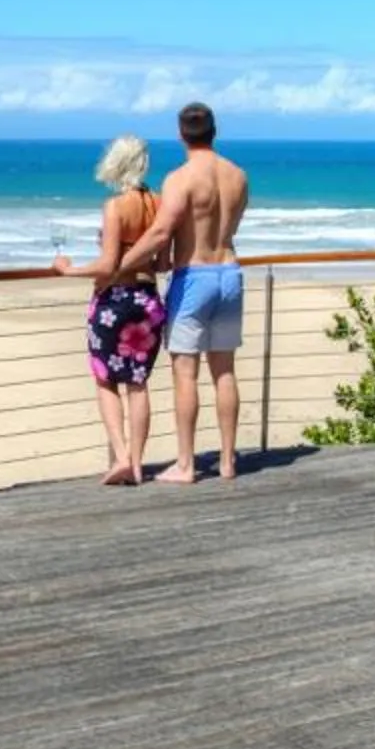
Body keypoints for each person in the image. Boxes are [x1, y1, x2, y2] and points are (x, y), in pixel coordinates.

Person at [118, 101, 251, 482]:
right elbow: (233, 223)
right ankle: (227, 461)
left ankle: (187, 464)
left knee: (185, 373)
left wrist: (120, 267)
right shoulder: (238, 176)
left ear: (180, 134)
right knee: (224, 371)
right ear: (215, 130)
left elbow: (161, 233)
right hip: (229, 271)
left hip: (194, 275)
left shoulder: (179, 179)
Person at [53, 133, 171, 485]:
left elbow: (107, 265)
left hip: (113, 304)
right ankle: (136, 464)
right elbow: (163, 263)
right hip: (148, 302)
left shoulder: (115, 207)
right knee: (138, 383)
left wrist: (68, 269)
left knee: (105, 381)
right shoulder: (159, 203)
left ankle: (119, 456)